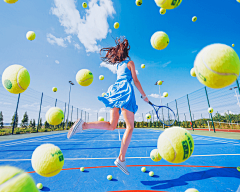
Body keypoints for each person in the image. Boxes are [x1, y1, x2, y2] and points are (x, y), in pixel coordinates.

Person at [67, 37, 149, 175]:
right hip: (125, 91)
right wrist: (144, 96)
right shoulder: (130, 63)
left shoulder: (118, 66)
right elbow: (135, 80)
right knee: (130, 127)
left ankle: (84, 125)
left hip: (115, 89)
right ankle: (121, 158)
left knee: (112, 125)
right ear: (126, 52)